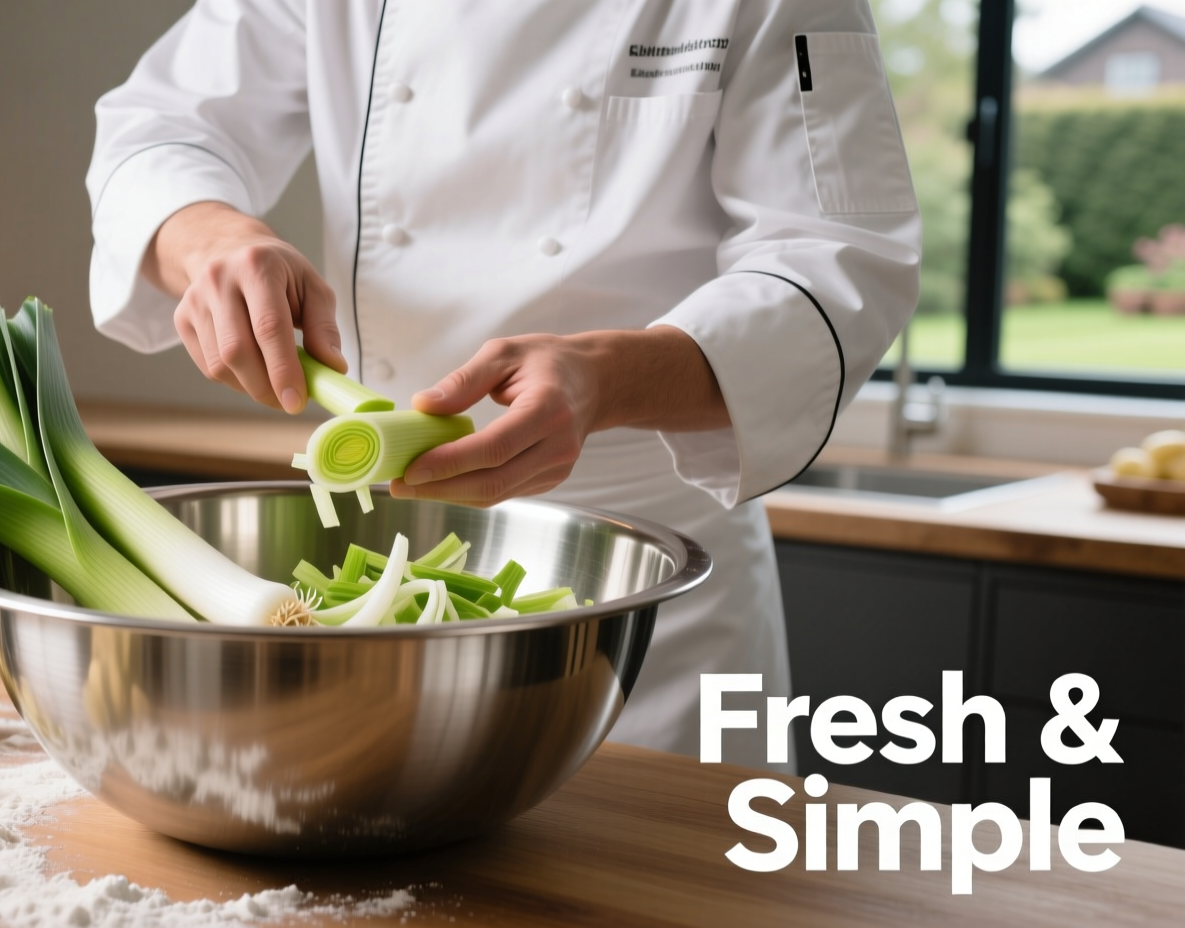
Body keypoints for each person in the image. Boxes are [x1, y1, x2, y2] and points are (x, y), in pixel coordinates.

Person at [85, 0, 920, 771]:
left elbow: (838, 255)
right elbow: (158, 129)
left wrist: (607, 382)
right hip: (393, 580)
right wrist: (211, 238)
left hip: (650, 589)